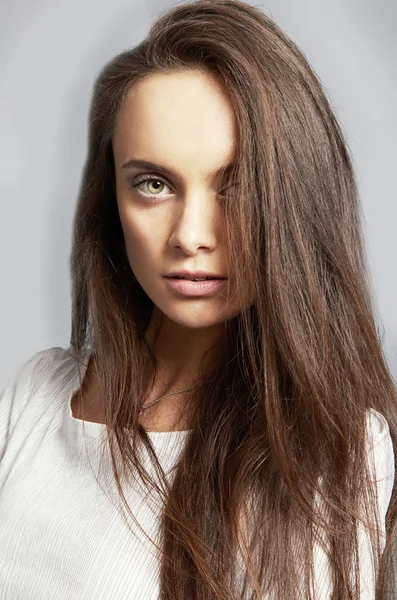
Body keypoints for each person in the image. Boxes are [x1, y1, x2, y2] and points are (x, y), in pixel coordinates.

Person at [0, 0, 396, 598]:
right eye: (153, 184)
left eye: (235, 186)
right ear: (113, 201)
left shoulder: (331, 449)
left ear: (296, 203)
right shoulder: (35, 396)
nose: (190, 236)